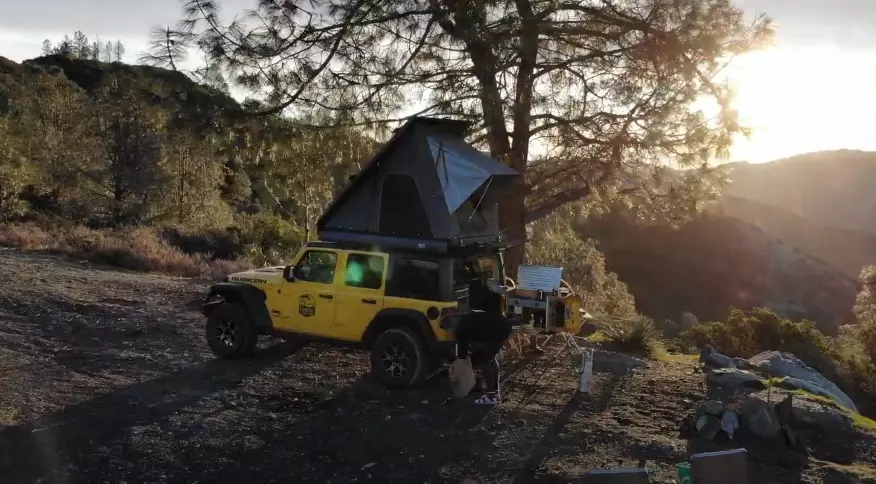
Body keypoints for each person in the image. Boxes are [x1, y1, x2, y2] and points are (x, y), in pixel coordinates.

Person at [453, 288, 514, 405]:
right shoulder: (476, 317)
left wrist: (462, 356)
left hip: (494, 334)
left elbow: (463, 343)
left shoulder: (464, 324)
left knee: (485, 361)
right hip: (500, 330)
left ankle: (491, 396)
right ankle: (495, 392)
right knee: (491, 359)